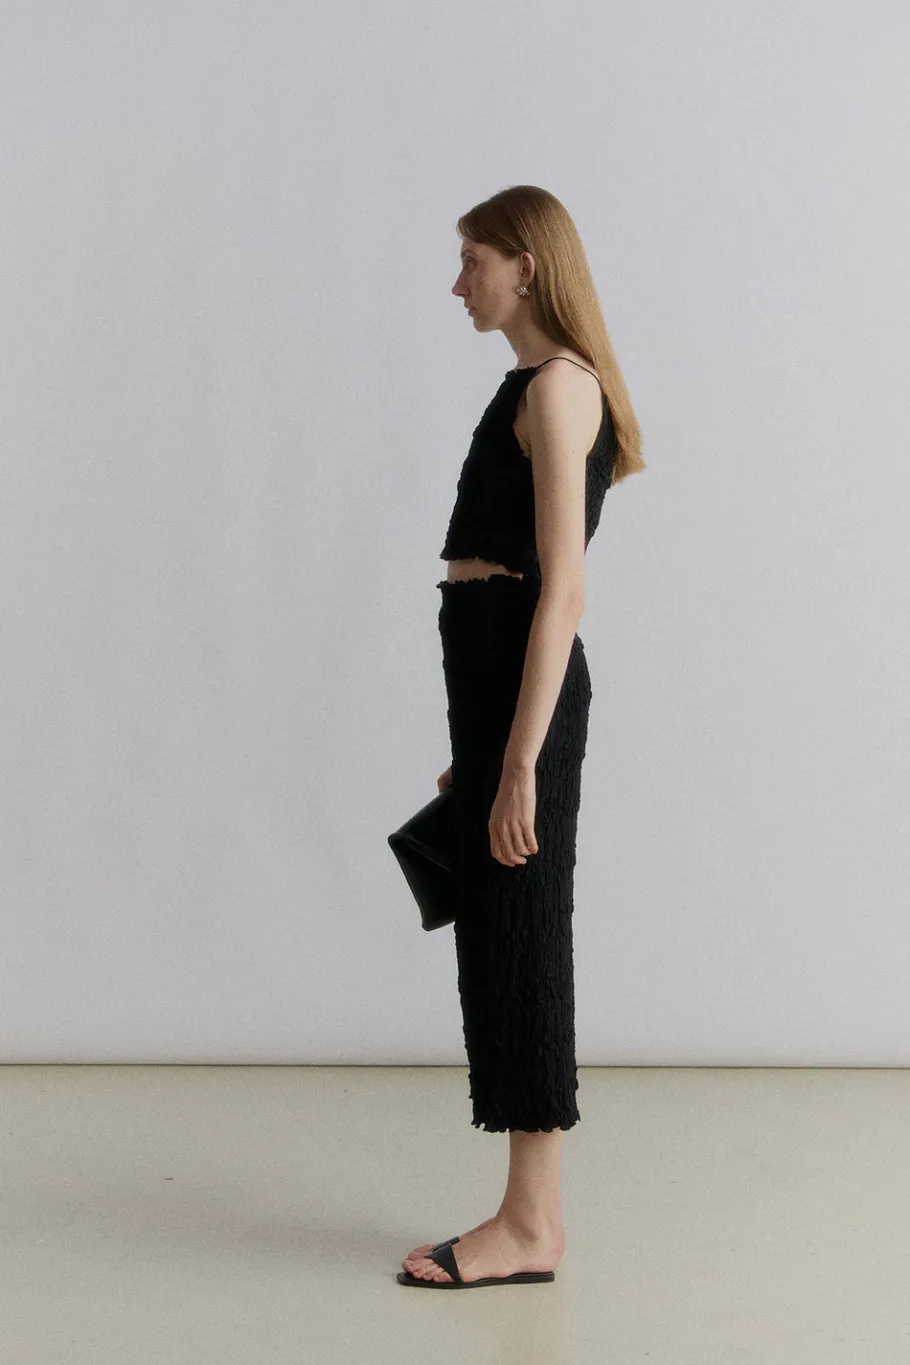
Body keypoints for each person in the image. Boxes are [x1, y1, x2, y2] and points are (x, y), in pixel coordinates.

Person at [398, 185, 645, 1290]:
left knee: (525, 942)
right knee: (497, 939)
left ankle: (531, 1226)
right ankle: (523, 1217)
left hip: (524, 702)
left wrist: (519, 764)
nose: (459, 283)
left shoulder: (557, 389)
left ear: (526, 267)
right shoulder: (532, 385)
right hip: (497, 695)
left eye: (473, 260)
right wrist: (485, 743)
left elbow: (562, 591)